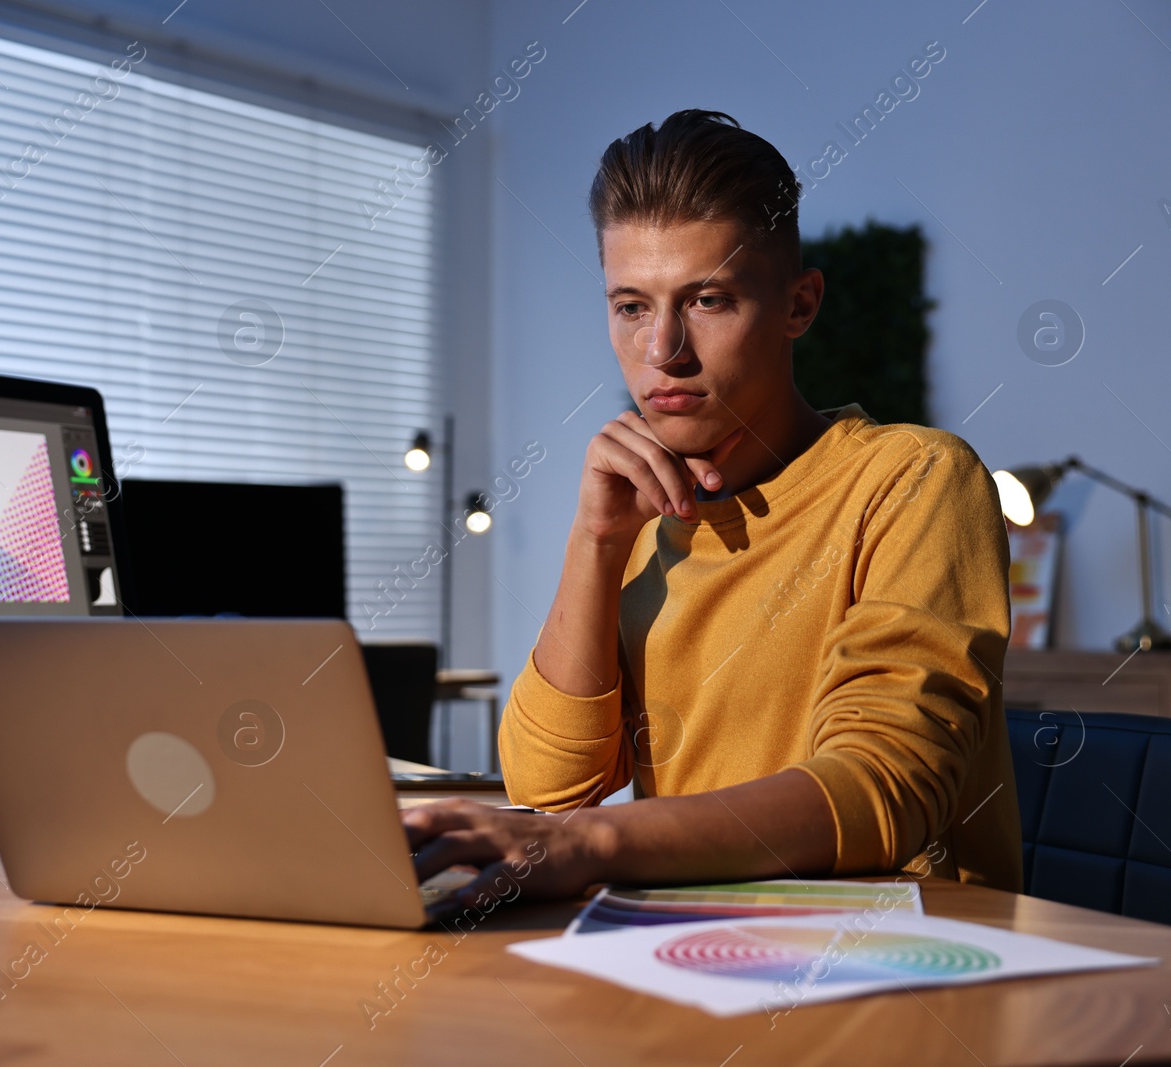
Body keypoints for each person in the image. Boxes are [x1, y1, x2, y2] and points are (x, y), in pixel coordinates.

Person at [404, 109, 1021, 909]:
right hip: (689, 944)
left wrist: (590, 843)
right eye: (631, 306)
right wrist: (595, 540)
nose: (663, 351)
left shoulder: (915, 480)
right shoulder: (640, 512)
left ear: (799, 305)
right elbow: (549, 787)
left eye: (708, 301)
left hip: (897, 972)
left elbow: (882, 791)